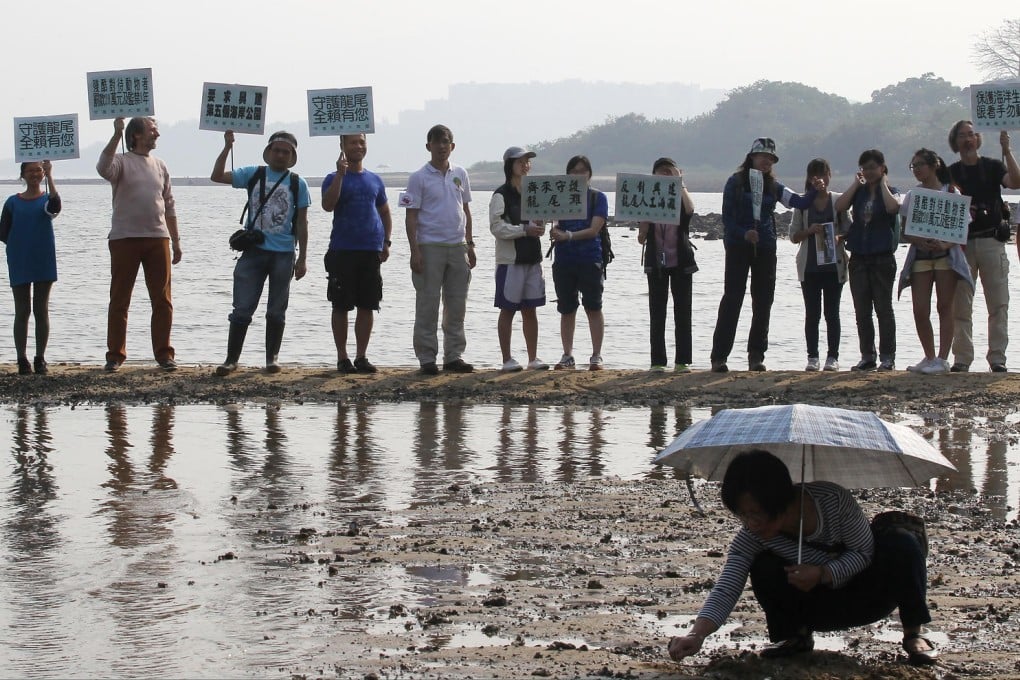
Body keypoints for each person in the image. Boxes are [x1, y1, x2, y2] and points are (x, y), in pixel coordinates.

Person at [666, 449, 938, 667]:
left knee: (902, 542)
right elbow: (728, 585)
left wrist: (823, 573)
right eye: (742, 515)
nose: (750, 524)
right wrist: (697, 634)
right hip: (815, 607)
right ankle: (794, 637)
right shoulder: (753, 536)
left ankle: (914, 633)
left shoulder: (834, 500)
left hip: (868, 594)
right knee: (764, 566)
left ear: (780, 500)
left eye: (755, 513)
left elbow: (863, 553)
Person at [710, 138, 821, 372]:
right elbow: (727, 219)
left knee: (763, 301)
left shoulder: (774, 185)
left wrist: (815, 188)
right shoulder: (735, 182)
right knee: (732, 299)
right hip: (738, 247)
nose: (766, 161)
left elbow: (798, 202)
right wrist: (743, 234)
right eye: (762, 156)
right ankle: (719, 357)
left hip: (766, 247)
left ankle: (756, 356)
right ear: (751, 157)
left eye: (770, 158)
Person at [210, 130, 310, 375]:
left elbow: (302, 223)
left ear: (292, 156)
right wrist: (226, 147)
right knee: (242, 307)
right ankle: (231, 360)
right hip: (253, 252)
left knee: (277, 309)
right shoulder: (253, 174)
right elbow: (217, 176)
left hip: (284, 254)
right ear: (268, 152)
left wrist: (303, 258)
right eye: (276, 150)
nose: (280, 155)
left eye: (286, 152)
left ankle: (271, 359)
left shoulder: (298, 183)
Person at [96, 116, 182, 372]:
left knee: (162, 299)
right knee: (120, 299)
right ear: (135, 135)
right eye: (152, 130)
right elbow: (103, 168)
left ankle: (164, 354)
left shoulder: (160, 164)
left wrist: (176, 241)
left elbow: (169, 204)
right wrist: (116, 134)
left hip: (158, 237)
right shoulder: (121, 161)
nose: (156, 134)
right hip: (124, 238)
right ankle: (115, 355)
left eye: (156, 130)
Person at [401, 124, 475, 375]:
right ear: (428, 146)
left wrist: (470, 243)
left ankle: (453, 356)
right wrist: (415, 251)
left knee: (457, 305)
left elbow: (465, 209)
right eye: (437, 142)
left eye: (446, 142)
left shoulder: (460, 173)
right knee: (427, 304)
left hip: (457, 246)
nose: (442, 146)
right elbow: (411, 217)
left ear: (452, 146)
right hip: (429, 246)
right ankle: (426, 357)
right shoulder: (418, 177)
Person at [947, 121, 1020, 373]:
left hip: (992, 240)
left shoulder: (992, 165)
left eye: (971, 134)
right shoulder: (950, 172)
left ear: (978, 139)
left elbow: (1015, 182)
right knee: (961, 304)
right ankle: (962, 358)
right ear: (955, 142)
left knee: (998, 303)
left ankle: (997, 358)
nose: (968, 139)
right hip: (962, 245)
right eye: (962, 136)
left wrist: (1007, 149)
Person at [321, 133, 392, 374]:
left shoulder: (375, 180)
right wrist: (340, 175)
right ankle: (342, 357)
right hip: (342, 249)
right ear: (342, 145)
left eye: (362, 142)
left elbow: (384, 212)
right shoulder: (332, 178)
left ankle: (361, 356)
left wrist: (387, 241)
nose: (358, 146)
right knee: (340, 305)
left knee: (368, 304)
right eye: (353, 142)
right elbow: (328, 205)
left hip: (371, 249)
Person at [898, 149, 974, 374]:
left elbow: (962, 228)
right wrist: (919, 241)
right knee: (920, 309)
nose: (917, 170)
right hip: (921, 256)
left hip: (944, 256)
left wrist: (945, 244)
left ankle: (942, 358)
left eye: (920, 165)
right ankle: (929, 356)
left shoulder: (951, 192)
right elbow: (905, 230)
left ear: (934, 166)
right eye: (913, 166)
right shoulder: (913, 195)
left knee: (944, 306)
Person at [834, 149, 901, 372]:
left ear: (882, 168)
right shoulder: (859, 193)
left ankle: (888, 356)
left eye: (873, 167)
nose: (869, 172)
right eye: (865, 168)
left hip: (882, 258)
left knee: (884, 308)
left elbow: (894, 208)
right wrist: (855, 184)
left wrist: (882, 184)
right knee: (862, 309)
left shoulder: (891, 191)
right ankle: (867, 355)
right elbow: (840, 206)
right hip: (859, 258)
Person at [489, 146, 548, 372]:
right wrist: (524, 230)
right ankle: (507, 359)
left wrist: (539, 227)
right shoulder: (500, 194)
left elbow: (540, 221)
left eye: (527, 161)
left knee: (530, 309)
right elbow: (497, 228)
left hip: (533, 259)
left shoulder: (535, 194)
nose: (525, 165)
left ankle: (533, 358)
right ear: (509, 166)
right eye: (520, 161)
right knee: (508, 309)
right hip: (510, 261)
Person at [636, 157, 697, 372]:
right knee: (657, 311)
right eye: (660, 172)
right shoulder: (648, 199)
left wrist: (680, 184)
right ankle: (657, 362)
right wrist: (643, 224)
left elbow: (690, 209)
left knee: (683, 310)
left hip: (681, 261)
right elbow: (641, 238)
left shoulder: (681, 196)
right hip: (656, 262)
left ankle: (682, 361)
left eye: (669, 172)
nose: (665, 176)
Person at [549, 155, 609, 371]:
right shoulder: (559, 196)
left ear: (589, 174)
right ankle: (567, 355)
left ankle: (596, 355)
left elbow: (594, 230)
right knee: (566, 308)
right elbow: (553, 222)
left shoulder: (597, 198)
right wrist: (555, 231)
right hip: (564, 260)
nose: (578, 175)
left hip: (590, 258)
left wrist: (568, 236)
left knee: (594, 306)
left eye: (582, 170)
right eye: (573, 171)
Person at [1, 160, 61, 375]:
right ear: (23, 174)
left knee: (41, 309)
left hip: (43, 259)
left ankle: (40, 358)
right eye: (31, 170)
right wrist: (21, 246)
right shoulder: (11, 202)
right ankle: (21, 359)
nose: (35, 174)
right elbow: (3, 233)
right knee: (22, 310)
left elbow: (56, 206)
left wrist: (51, 176)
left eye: (39, 170)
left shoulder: (46, 200)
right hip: (19, 259)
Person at [789, 159, 849, 372]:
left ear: (829, 176)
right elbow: (793, 236)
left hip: (834, 267)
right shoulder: (803, 204)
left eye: (823, 174)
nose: (819, 179)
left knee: (832, 313)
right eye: (814, 175)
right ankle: (812, 356)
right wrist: (809, 231)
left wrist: (839, 238)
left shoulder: (838, 201)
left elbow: (849, 228)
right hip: (810, 267)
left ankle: (832, 357)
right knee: (812, 313)